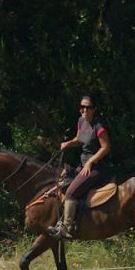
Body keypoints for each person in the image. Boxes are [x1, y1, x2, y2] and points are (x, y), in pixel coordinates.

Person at [49, 94, 111, 239]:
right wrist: (68, 143)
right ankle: (61, 221)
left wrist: (91, 161)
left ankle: (67, 228)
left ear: (94, 109)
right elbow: (80, 139)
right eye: (82, 107)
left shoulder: (98, 126)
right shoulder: (81, 122)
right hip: (82, 165)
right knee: (62, 184)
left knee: (70, 192)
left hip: (95, 168)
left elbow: (106, 147)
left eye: (88, 107)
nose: (84, 110)